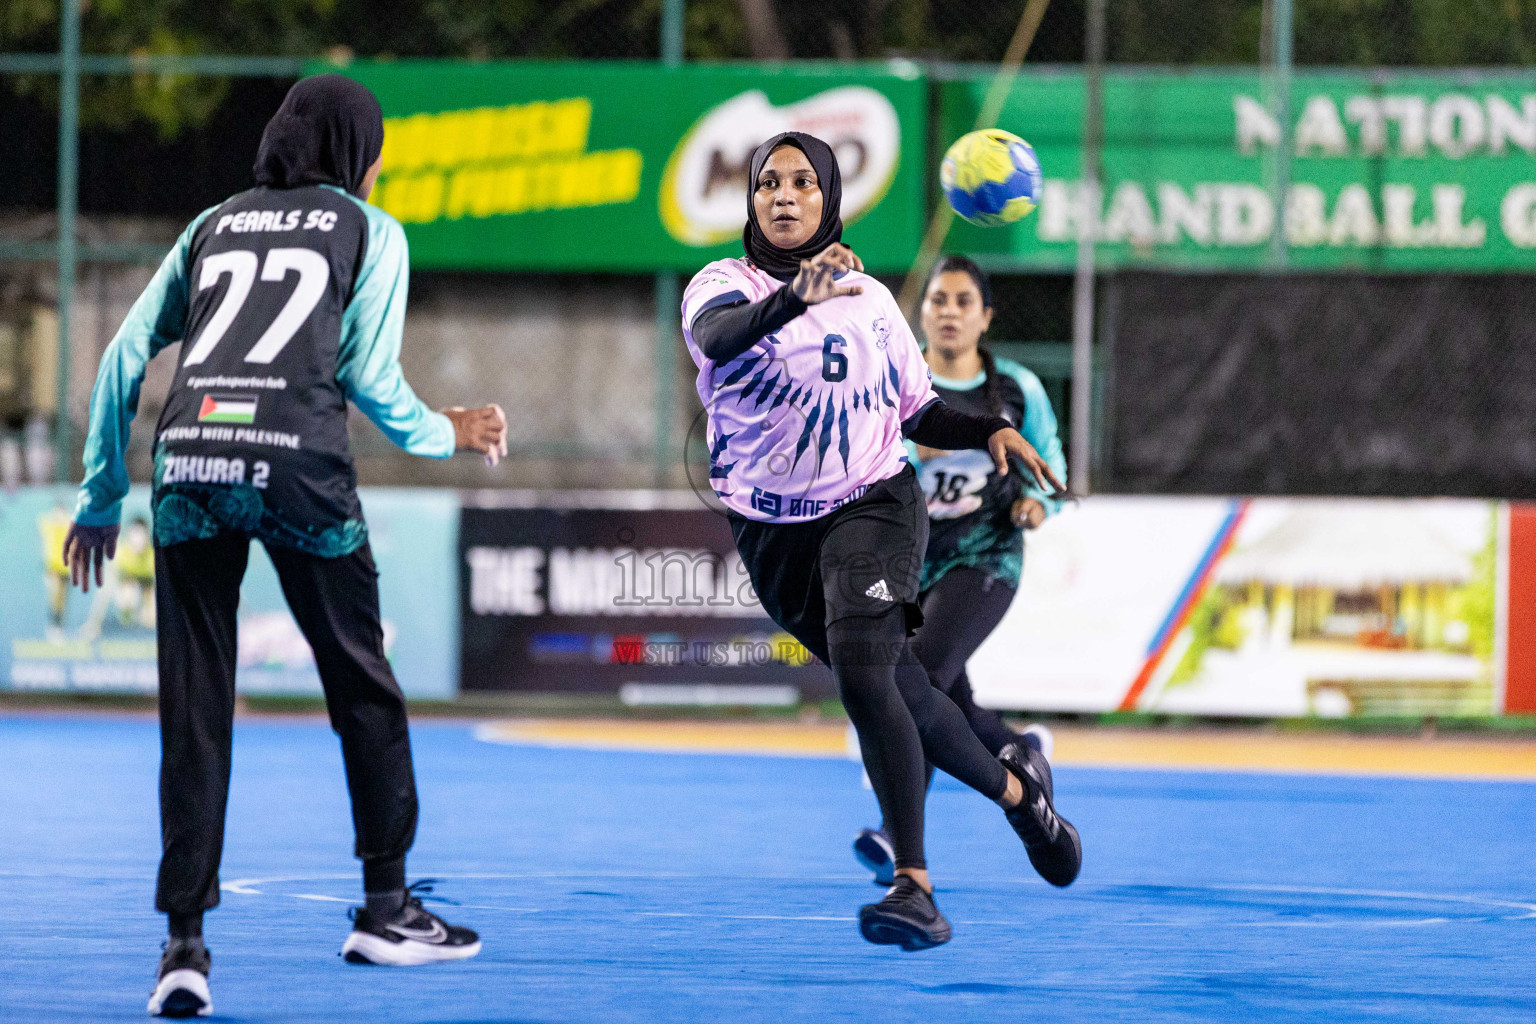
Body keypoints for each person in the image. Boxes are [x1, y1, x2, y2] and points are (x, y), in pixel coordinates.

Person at [62, 76, 505, 1018]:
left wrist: (102, 495)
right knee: (362, 683)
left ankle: (183, 947)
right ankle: (386, 908)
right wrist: (447, 432)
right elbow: (369, 378)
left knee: (195, 708)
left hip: (191, 464)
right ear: (358, 153)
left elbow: (120, 359)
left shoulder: (212, 224)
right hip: (299, 466)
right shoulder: (368, 229)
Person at [681, 131, 1081, 951]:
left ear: (830, 198)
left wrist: (988, 430)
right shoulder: (722, 285)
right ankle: (1021, 799)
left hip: (875, 504)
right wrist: (800, 296)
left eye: (802, 182)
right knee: (910, 692)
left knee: (869, 677)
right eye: (767, 184)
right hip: (772, 536)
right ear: (752, 202)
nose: (783, 196)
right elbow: (724, 339)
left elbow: (915, 409)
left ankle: (915, 887)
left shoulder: (867, 298)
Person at [851, 255, 1071, 887]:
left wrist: (1038, 503)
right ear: (919, 314)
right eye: (937, 301)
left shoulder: (1017, 390)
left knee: (916, 676)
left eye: (962, 302)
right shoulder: (894, 380)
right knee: (946, 701)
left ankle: (898, 836)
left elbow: (1049, 461)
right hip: (910, 565)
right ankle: (1017, 751)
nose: (948, 312)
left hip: (986, 558)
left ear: (985, 317)